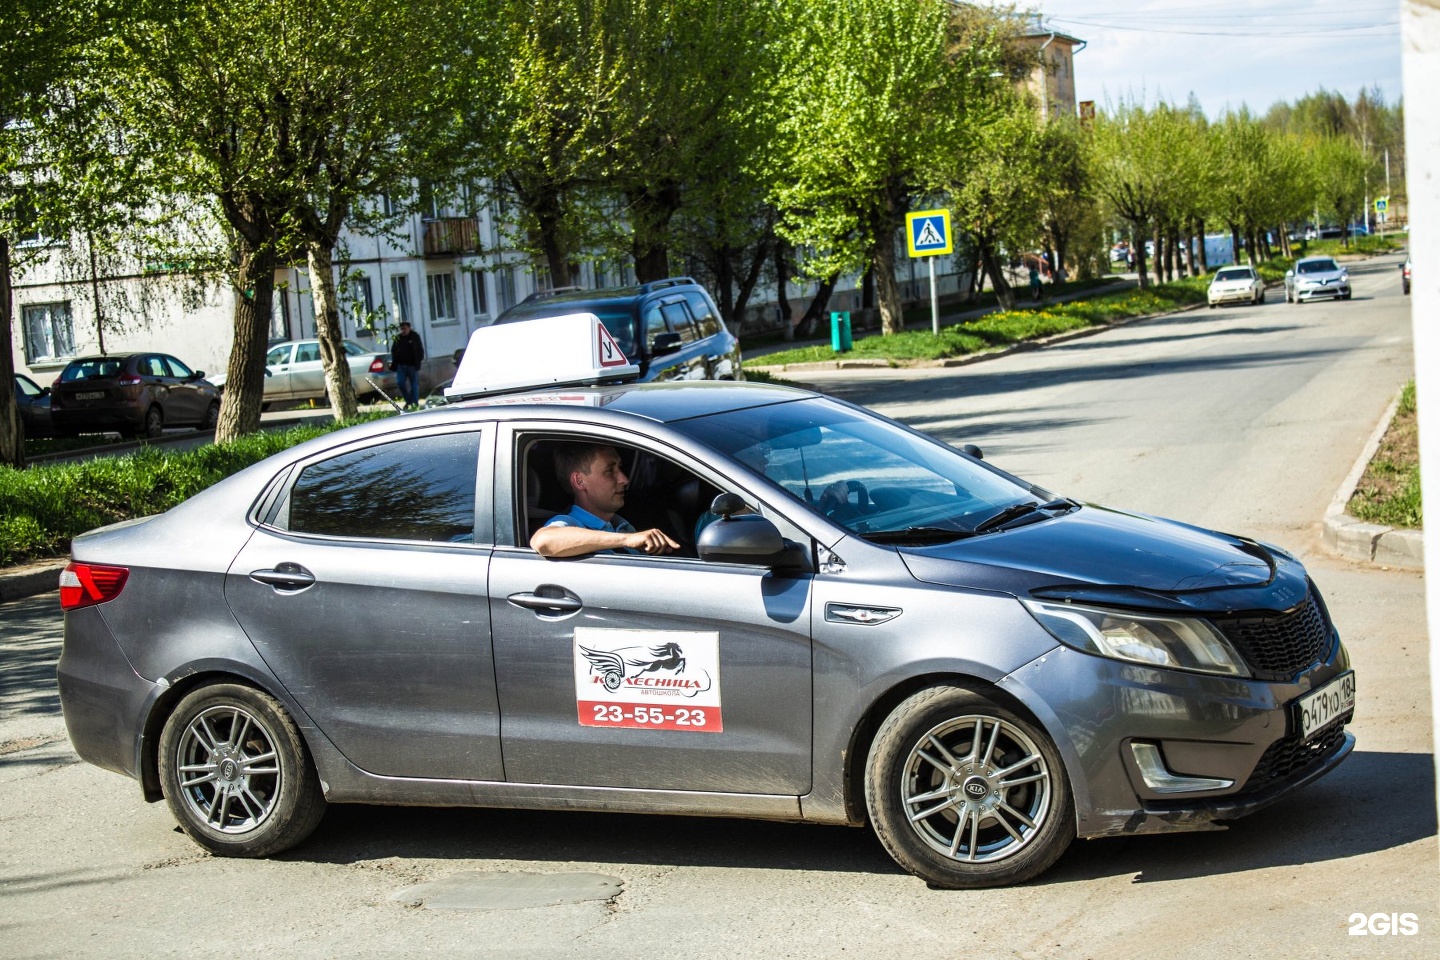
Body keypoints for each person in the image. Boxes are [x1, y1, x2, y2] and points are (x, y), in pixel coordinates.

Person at [530, 442, 679, 558]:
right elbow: (543, 541)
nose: (624, 479)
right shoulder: (571, 522)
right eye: (609, 471)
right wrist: (626, 540)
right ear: (580, 481)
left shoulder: (622, 525)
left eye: (620, 468)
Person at [391, 321, 425, 408]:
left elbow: (420, 350)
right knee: (400, 383)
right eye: (401, 329)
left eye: (405, 329)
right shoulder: (398, 338)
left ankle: (415, 402)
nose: (403, 331)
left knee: (414, 385)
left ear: (409, 328)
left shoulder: (414, 337)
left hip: (412, 365)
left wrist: (419, 360)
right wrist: (394, 363)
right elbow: (393, 350)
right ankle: (408, 400)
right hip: (401, 366)